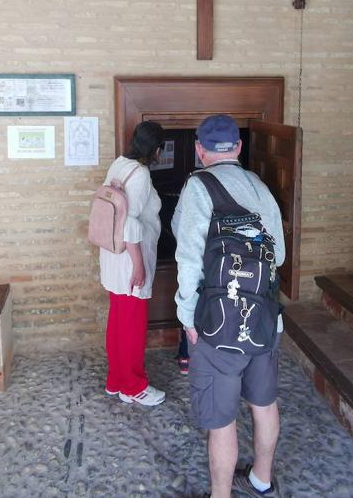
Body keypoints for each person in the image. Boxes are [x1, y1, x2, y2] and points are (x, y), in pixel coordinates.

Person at [172, 115, 285, 498]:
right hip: (266, 320)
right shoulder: (260, 187)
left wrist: (187, 319)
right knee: (264, 403)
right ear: (238, 147)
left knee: (222, 422)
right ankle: (262, 480)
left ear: (200, 150)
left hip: (217, 325)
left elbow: (188, 260)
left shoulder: (197, 187)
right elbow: (279, 256)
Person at [99, 121, 167, 407]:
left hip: (112, 254)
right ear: (157, 149)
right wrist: (139, 266)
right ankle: (134, 386)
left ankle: (116, 380)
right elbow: (130, 224)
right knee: (132, 326)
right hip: (129, 259)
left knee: (118, 321)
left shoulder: (119, 164)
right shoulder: (140, 174)